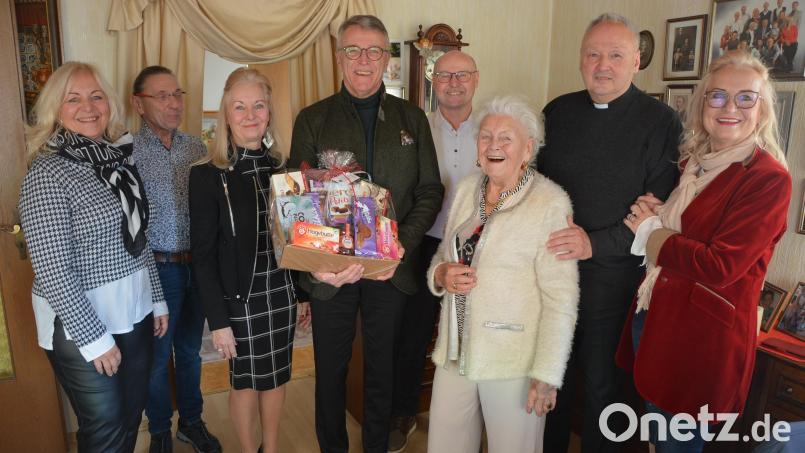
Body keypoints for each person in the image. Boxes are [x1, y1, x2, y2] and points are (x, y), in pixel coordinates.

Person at [617, 51, 792, 453]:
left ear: (762, 109)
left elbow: (721, 265)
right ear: (702, 105)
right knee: (658, 442)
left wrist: (651, 232)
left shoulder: (769, 179)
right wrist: (658, 214)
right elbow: (693, 227)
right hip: (657, 319)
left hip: (701, 345)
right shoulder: (692, 165)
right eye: (718, 96)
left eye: (745, 98)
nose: (730, 107)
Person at [288, 14, 443, 453]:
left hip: (390, 270)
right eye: (353, 50)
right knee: (331, 371)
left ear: (386, 60)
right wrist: (321, 266)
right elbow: (296, 198)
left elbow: (430, 190)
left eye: (374, 51)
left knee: (383, 370)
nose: (364, 60)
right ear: (339, 58)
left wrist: (398, 246)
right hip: (331, 273)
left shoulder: (412, 119)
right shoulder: (313, 119)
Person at [538, 13, 683, 453]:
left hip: (615, 278)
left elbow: (653, 212)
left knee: (604, 388)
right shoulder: (556, 112)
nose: (603, 64)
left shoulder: (662, 122)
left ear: (636, 62)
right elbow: (534, 188)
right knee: (550, 376)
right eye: (593, 54)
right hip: (553, 269)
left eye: (616, 55)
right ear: (581, 61)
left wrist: (594, 243)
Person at [18, 61, 169, 452]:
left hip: (133, 309)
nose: (88, 106)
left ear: (109, 104)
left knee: (130, 418)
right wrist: (95, 339)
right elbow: (52, 269)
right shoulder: (47, 174)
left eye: (96, 96)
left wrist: (156, 297)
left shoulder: (119, 161)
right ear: (56, 109)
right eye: (74, 98)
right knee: (105, 428)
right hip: (80, 322)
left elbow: (140, 237)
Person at [426, 95, 579, 453]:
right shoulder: (466, 189)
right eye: (486, 137)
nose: (493, 146)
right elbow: (441, 255)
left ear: (528, 148)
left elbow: (562, 299)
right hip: (453, 352)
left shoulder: (550, 202)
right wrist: (441, 274)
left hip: (513, 359)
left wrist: (547, 373)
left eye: (505, 138)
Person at [189, 67, 310, 453]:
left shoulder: (285, 169)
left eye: (258, 105)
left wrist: (303, 293)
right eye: (239, 107)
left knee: (276, 377)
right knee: (244, 381)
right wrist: (219, 322)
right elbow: (203, 258)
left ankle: (269, 449)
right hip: (239, 301)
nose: (250, 114)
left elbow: (300, 240)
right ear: (226, 113)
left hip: (281, 293)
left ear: (269, 112)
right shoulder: (208, 175)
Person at [388, 49, 480, 453]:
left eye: (462, 75)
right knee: (413, 333)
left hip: (480, 247)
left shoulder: (493, 127)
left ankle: (479, 414)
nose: (454, 83)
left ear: (476, 79)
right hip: (426, 243)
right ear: (432, 82)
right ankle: (404, 411)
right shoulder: (415, 129)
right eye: (444, 76)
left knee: (475, 329)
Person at [131, 65, 221, 453]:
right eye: (162, 96)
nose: (173, 103)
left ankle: (192, 421)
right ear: (139, 103)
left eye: (177, 94)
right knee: (156, 357)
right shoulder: (126, 153)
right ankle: (159, 432)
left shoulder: (197, 149)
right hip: (157, 268)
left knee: (189, 351)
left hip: (197, 266)